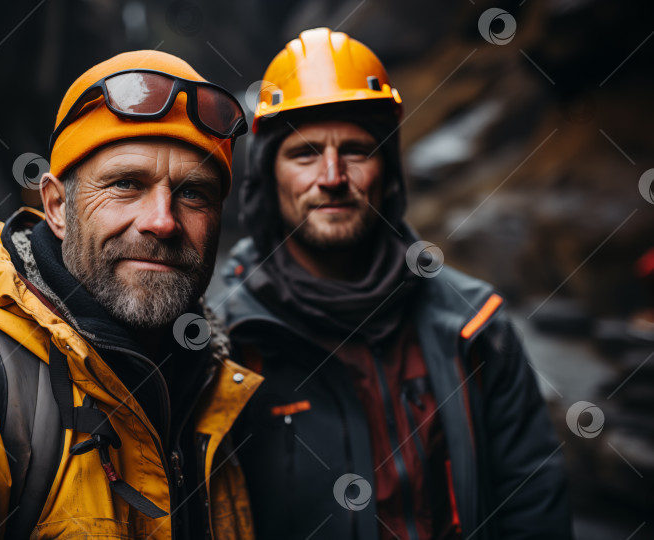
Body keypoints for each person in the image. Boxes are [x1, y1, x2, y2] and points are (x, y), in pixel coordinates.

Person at [0, 50, 262, 540]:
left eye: (193, 193)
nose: (162, 221)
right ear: (58, 207)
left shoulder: (213, 391)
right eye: (126, 184)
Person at [212, 28, 572, 539]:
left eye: (356, 150)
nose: (332, 176)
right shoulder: (226, 344)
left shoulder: (476, 325)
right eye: (305, 154)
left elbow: (534, 507)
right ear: (269, 177)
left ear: (387, 169)